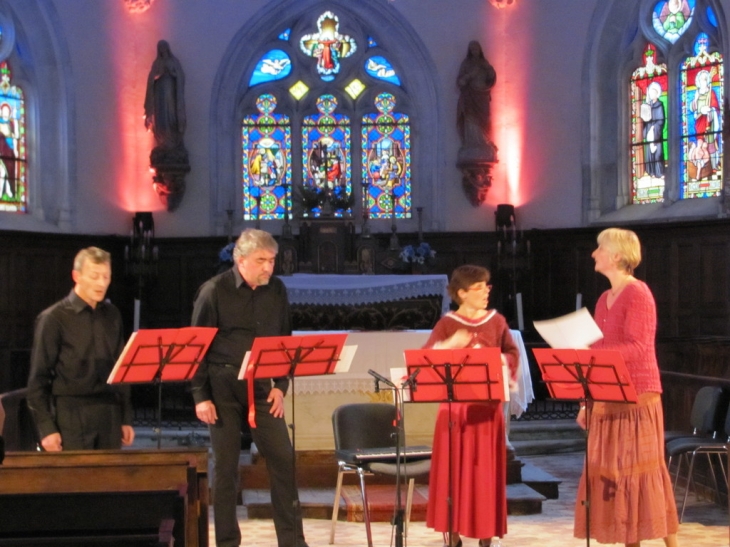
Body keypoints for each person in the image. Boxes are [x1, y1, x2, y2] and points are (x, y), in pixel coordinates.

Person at [190, 228, 308, 547]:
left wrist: (281, 386)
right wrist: (201, 397)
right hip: (222, 387)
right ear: (240, 260)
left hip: (262, 386)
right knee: (226, 468)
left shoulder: (277, 291)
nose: (269, 267)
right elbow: (195, 347)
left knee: (283, 458)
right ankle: (228, 541)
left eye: (272, 260)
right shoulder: (213, 291)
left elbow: (286, 341)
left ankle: (293, 541)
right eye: (261, 261)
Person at [574, 228, 679, 547]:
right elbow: (598, 351)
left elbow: (638, 345)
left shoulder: (639, 293)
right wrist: (585, 402)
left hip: (637, 393)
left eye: (599, 248)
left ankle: (671, 543)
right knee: (615, 476)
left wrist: (589, 353)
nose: (594, 253)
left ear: (617, 255)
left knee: (644, 471)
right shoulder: (604, 298)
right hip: (607, 394)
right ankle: (627, 542)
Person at [425, 265, 519, 547]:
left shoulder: (497, 321)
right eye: (478, 288)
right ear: (462, 293)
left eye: (486, 286)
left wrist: (497, 361)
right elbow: (426, 360)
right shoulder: (447, 324)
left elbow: (512, 353)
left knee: (484, 475)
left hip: (486, 413)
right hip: (455, 412)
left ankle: (485, 536)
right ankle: (453, 536)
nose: (485, 292)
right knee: (454, 474)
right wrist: (449, 345)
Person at [26, 247, 135, 451]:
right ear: (76, 276)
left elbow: (122, 369)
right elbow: (38, 379)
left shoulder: (113, 315)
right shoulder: (53, 319)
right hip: (71, 413)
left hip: (109, 412)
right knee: (76, 481)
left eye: (106, 276)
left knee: (110, 480)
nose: (102, 283)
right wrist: (46, 428)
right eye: (94, 276)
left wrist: (126, 417)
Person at [144, 39, 186, 149]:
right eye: (160, 48)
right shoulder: (157, 63)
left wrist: (172, 73)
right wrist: (160, 74)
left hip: (171, 93)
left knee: (171, 113)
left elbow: (180, 76)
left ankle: (173, 137)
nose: (162, 50)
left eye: (164, 47)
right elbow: (151, 79)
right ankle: (163, 141)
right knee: (162, 116)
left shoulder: (174, 62)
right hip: (160, 94)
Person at [456, 40, 497, 151]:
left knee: (485, 118)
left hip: (482, 96)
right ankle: (472, 145)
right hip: (470, 96)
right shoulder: (466, 64)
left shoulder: (484, 63)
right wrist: (470, 75)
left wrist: (489, 69)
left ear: (480, 50)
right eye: (472, 49)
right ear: (470, 51)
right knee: (470, 118)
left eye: (476, 48)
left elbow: (491, 77)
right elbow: (460, 82)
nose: (475, 51)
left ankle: (485, 142)